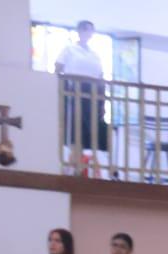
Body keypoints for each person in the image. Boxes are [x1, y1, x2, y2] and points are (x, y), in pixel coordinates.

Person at [54, 20, 107, 173]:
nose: (87, 32)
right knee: (74, 127)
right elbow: (58, 69)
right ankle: (72, 163)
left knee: (88, 129)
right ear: (78, 31)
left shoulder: (95, 54)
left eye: (90, 30)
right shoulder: (69, 49)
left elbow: (100, 76)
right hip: (73, 91)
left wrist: (102, 100)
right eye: (84, 29)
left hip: (91, 93)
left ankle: (85, 163)